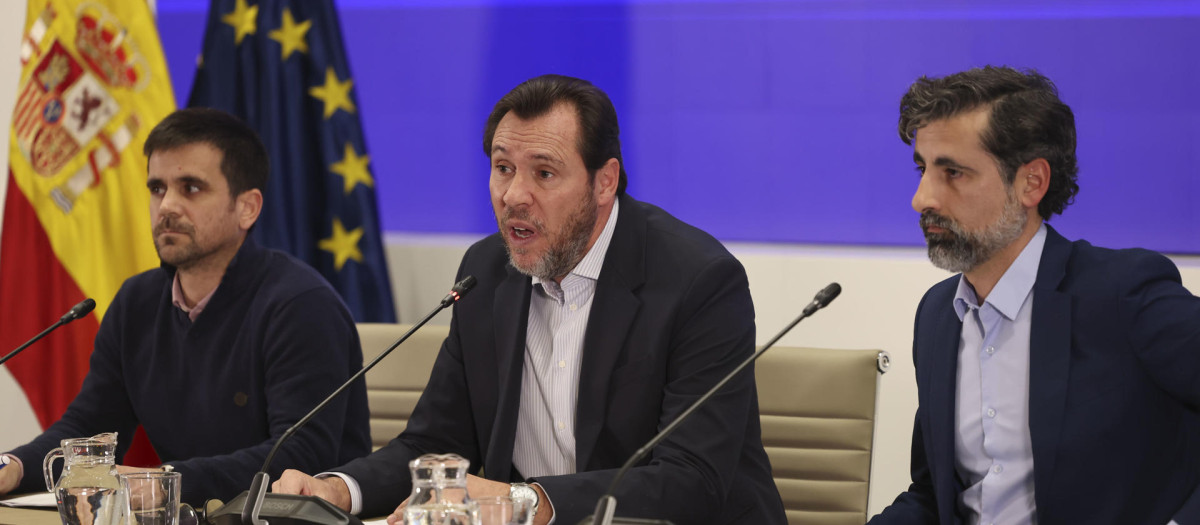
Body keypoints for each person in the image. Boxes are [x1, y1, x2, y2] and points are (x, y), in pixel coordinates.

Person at [273, 74, 786, 524]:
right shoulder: (484, 271)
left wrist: (522, 502)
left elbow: (691, 480)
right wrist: (336, 490)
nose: (513, 195)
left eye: (544, 173)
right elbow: (437, 444)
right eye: (503, 168)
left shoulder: (698, 280)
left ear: (604, 182)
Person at [869, 66, 1200, 524]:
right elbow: (933, 495)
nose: (922, 198)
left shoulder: (1122, 292)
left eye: (953, 172)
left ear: (1031, 183)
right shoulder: (938, 315)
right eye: (923, 169)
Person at [0, 108, 371, 506]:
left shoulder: (301, 305)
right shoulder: (136, 303)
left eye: (191, 188)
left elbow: (300, 456)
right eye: (157, 188)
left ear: (247, 207)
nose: (167, 206)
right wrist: (13, 466)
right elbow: (89, 429)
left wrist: (164, 482)